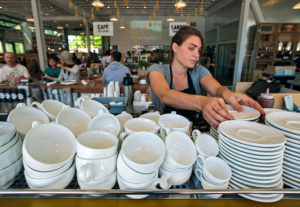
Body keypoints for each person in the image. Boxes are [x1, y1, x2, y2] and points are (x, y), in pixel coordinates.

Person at [146, 26, 264, 129]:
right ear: (175, 47)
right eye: (191, 48)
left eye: (199, 50)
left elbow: (217, 89)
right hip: (165, 131)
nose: (197, 55)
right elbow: (165, 95)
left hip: (194, 130)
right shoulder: (157, 70)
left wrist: (229, 95)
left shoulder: (199, 71)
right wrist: (202, 102)